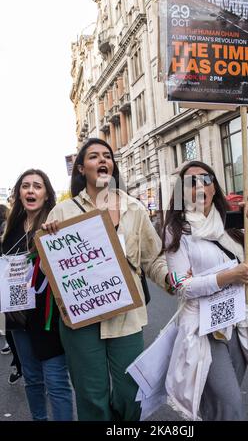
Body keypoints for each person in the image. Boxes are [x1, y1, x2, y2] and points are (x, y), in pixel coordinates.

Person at [42, 138, 168, 421]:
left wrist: (172, 281)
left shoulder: (134, 208)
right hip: (82, 320)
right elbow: (48, 266)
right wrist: (49, 238)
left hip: (127, 316)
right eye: (94, 156)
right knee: (91, 395)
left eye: (107, 156)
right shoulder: (63, 213)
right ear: (80, 169)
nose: (102, 161)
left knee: (130, 393)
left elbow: (153, 259)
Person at [162, 161, 248, 421]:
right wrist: (230, 276)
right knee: (230, 402)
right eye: (190, 182)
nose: (199, 186)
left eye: (205, 179)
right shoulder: (177, 230)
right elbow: (182, 285)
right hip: (204, 328)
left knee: (221, 405)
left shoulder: (232, 222)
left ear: (214, 186)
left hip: (237, 321)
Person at [1, 169, 73, 420]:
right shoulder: (10, 229)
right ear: (19, 193)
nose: (31, 190)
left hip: (48, 318)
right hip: (19, 317)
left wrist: (56, 232)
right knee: (31, 379)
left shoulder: (54, 224)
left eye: (37, 186)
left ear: (46, 194)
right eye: (25, 186)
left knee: (56, 382)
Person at [0, 205, 23, 382]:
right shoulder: (9, 230)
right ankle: (19, 363)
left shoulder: (51, 222)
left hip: (18, 287)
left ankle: (19, 363)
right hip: (12, 290)